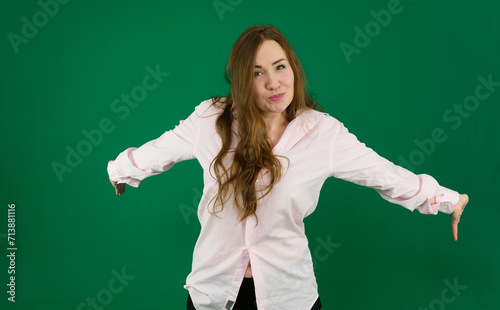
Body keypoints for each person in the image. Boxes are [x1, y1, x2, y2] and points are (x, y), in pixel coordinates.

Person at [107, 25, 468, 310]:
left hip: (288, 297)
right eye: (257, 73)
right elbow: (158, 151)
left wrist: (447, 200)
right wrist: (120, 171)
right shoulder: (211, 118)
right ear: (242, 82)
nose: (273, 82)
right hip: (213, 296)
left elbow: (384, 174)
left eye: (280, 67)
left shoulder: (322, 133)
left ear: (292, 68)